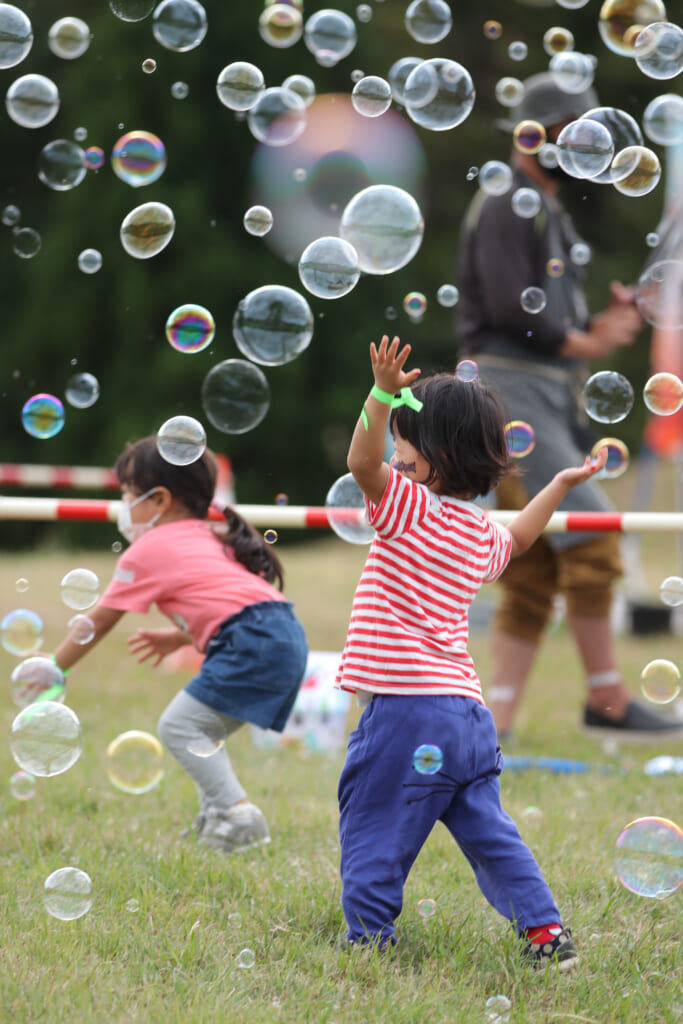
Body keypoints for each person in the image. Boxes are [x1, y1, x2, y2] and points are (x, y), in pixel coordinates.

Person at [335, 334, 601, 964]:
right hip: (467, 716)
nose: (393, 457)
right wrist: (558, 484)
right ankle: (543, 931)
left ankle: (368, 939)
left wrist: (379, 394)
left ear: (435, 457)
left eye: (403, 444)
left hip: (406, 712)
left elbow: (359, 465)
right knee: (490, 832)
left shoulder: (407, 507)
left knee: (373, 821)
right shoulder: (478, 530)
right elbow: (523, 539)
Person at [457, 71, 683, 742]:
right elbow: (506, 308)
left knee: (534, 563)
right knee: (591, 535)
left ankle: (491, 722)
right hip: (510, 394)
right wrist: (586, 337)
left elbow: (544, 313)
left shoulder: (540, 206)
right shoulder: (506, 202)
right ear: (541, 135)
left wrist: (599, 325)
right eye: (573, 134)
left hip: (537, 392)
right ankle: (606, 700)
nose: (581, 146)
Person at [51, 436, 308, 852]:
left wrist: (52, 667)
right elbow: (231, 602)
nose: (123, 504)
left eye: (128, 494)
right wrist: (178, 636)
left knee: (179, 726)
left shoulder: (148, 548)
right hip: (283, 633)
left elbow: (97, 622)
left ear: (159, 500)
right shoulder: (213, 534)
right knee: (201, 730)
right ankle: (216, 824)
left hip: (253, 639)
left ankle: (237, 813)